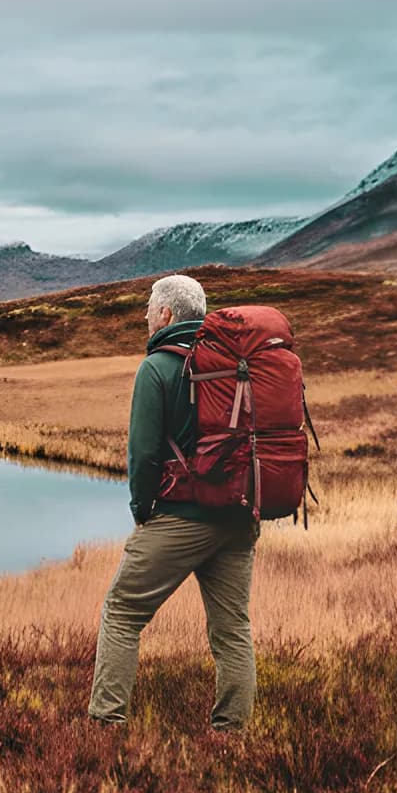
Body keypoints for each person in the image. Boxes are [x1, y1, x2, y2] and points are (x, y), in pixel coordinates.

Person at [88, 274, 260, 731]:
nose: (145, 314)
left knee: (122, 613)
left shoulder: (157, 366)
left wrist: (142, 512)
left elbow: (143, 453)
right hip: (239, 517)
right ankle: (232, 732)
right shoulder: (236, 362)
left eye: (148, 306)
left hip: (179, 516)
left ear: (165, 315)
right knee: (232, 629)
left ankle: (106, 725)